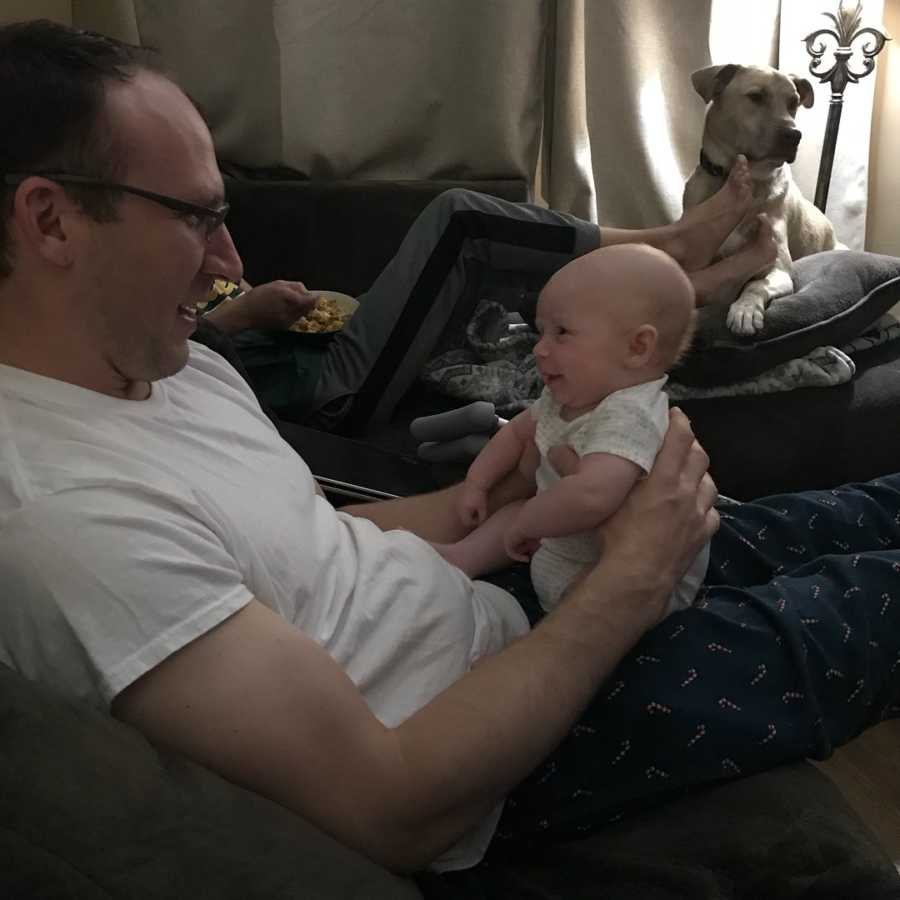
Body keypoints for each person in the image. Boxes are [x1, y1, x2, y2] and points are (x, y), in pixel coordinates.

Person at [1, 19, 899, 877]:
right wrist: (632, 579)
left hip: (510, 604)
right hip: (506, 750)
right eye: (196, 217)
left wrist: (508, 492)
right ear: (50, 223)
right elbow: (390, 804)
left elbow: (311, 541)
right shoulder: (64, 522)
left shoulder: (171, 364)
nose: (230, 260)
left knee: (834, 516)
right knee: (868, 599)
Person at [435, 243, 709, 616]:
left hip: (611, 575)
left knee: (527, 519)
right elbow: (517, 433)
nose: (539, 350)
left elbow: (593, 496)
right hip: (559, 537)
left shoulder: (631, 415)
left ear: (637, 347)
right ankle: (459, 558)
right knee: (514, 509)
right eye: (541, 331)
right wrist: (477, 483)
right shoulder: (570, 394)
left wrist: (529, 524)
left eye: (562, 332)